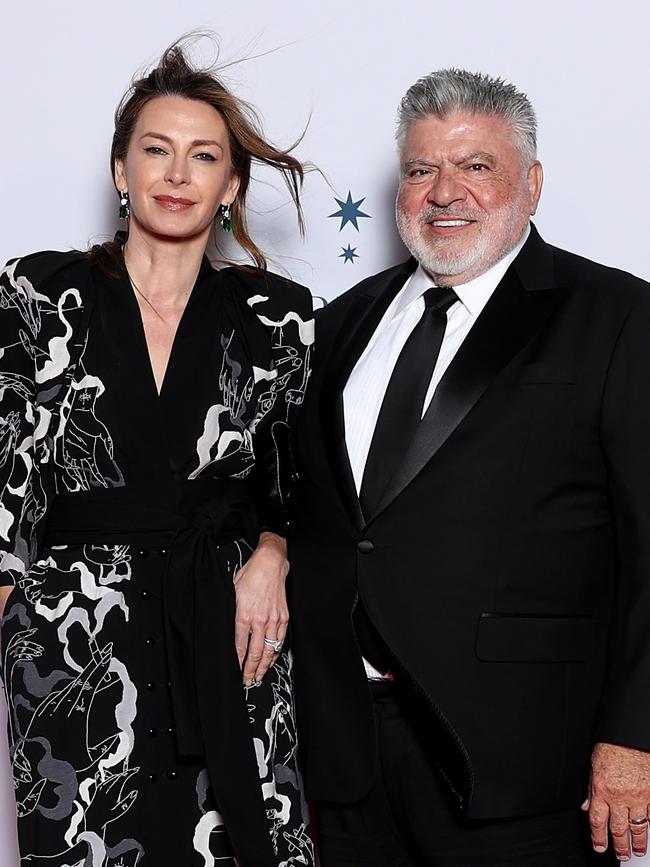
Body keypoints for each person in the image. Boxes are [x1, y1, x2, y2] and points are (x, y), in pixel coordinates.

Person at [288, 68, 650, 866]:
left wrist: (634, 734)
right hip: (349, 758)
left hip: (523, 764)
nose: (444, 192)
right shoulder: (340, 324)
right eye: (421, 170)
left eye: (475, 166)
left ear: (532, 182)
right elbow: (315, 512)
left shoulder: (618, 316)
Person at [0, 38, 315, 867]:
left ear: (230, 186)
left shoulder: (277, 316)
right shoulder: (40, 292)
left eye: (203, 156)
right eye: (156, 150)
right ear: (121, 170)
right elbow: (9, 470)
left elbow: (297, 479)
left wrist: (274, 551)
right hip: (77, 638)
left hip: (231, 624)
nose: (177, 174)